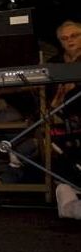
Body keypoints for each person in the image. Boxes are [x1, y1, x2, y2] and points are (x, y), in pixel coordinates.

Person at [52, 20, 81, 218]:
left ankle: (68, 193)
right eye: (64, 38)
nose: (69, 40)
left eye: (74, 36)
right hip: (54, 120)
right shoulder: (54, 63)